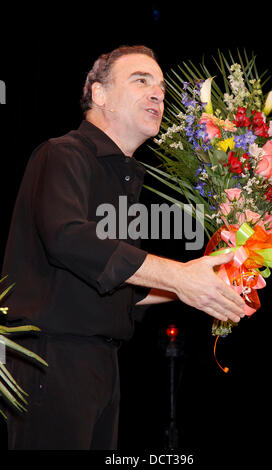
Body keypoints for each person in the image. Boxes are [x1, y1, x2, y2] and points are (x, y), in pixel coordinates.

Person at [2, 45, 245, 450]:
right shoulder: (61, 154)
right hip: (52, 360)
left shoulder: (124, 180)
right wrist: (177, 276)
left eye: (162, 88)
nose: (158, 94)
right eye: (141, 81)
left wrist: (200, 282)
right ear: (99, 94)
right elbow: (69, 238)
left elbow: (117, 285)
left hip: (102, 366)